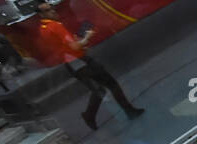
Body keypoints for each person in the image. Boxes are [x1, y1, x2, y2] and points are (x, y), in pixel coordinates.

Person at [32, 1, 143, 130]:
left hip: (71, 63)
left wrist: (77, 43)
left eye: (51, 8)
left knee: (99, 89)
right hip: (79, 61)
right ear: (41, 14)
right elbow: (75, 46)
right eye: (48, 10)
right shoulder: (55, 26)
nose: (53, 11)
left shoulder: (43, 29)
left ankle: (90, 115)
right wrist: (87, 37)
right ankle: (128, 110)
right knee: (111, 84)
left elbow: (63, 47)